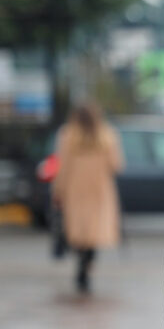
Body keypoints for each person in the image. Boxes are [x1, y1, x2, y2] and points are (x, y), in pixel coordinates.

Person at [51, 102, 123, 293]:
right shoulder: (107, 136)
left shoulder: (67, 136)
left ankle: (81, 263)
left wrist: (58, 191)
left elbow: (63, 167)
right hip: (100, 190)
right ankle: (87, 266)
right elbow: (116, 165)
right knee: (93, 233)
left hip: (75, 190)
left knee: (79, 231)